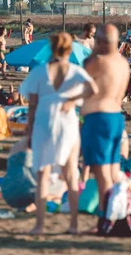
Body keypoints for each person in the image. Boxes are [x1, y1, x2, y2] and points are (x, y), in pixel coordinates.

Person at [21, 32, 97, 235]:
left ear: (51, 49)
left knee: (42, 174)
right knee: (71, 173)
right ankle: (73, 224)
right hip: (67, 122)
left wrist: (28, 131)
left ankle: (40, 225)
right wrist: (73, 100)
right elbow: (93, 89)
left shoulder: (39, 72)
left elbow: (32, 106)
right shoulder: (75, 70)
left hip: (44, 121)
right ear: (69, 49)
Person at [81, 24, 130, 216]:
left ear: (100, 42)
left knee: (101, 174)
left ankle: (105, 215)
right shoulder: (123, 62)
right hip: (116, 118)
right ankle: (116, 213)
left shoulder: (98, 61)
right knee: (112, 170)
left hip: (98, 118)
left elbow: (83, 76)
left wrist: (93, 52)